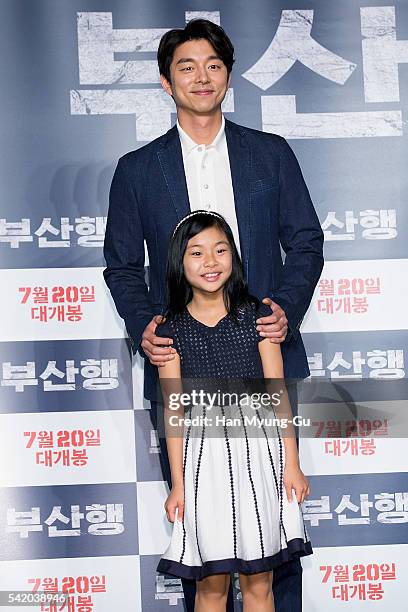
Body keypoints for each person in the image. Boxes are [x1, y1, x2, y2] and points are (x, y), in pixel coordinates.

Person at [103, 18, 324, 612]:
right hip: (184, 360)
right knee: (201, 531)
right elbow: (122, 266)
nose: (201, 77)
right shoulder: (138, 169)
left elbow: (305, 241)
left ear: (228, 76)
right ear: (164, 80)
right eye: (186, 66)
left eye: (213, 66)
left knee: (272, 534)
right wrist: (147, 326)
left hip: (259, 354)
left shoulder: (270, 154)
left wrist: (285, 311)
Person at [155, 210, 313, 612]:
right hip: (202, 460)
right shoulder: (170, 330)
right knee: (210, 586)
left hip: (259, 455)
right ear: (179, 262)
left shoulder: (258, 316)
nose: (210, 262)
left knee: (260, 582)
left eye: (220, 250)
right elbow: (174, 412)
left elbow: (278, 396)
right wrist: (177, 484)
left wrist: (291, 465)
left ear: (234, 257)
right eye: (197, 252)